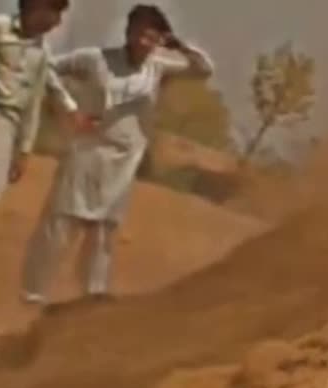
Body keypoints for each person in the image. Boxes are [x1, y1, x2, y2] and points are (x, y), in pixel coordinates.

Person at [19, 3, 213, 306]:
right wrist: (69, 108)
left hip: (125, 158)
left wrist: (180, 46)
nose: (143, 42)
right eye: (139, 33)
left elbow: (203, 70)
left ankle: (92, 294)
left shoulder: (159, 66)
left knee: (104, 230)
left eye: (151, 37)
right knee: (61, 221)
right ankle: (34, 290)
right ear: (128, 31)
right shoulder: (96, 59)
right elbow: (47, 68)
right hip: (86, 149)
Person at [0, 0, 85, 388]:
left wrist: (24, 150)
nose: (57, 21)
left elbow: (32, 104)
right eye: (53, 11)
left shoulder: (40, 54)